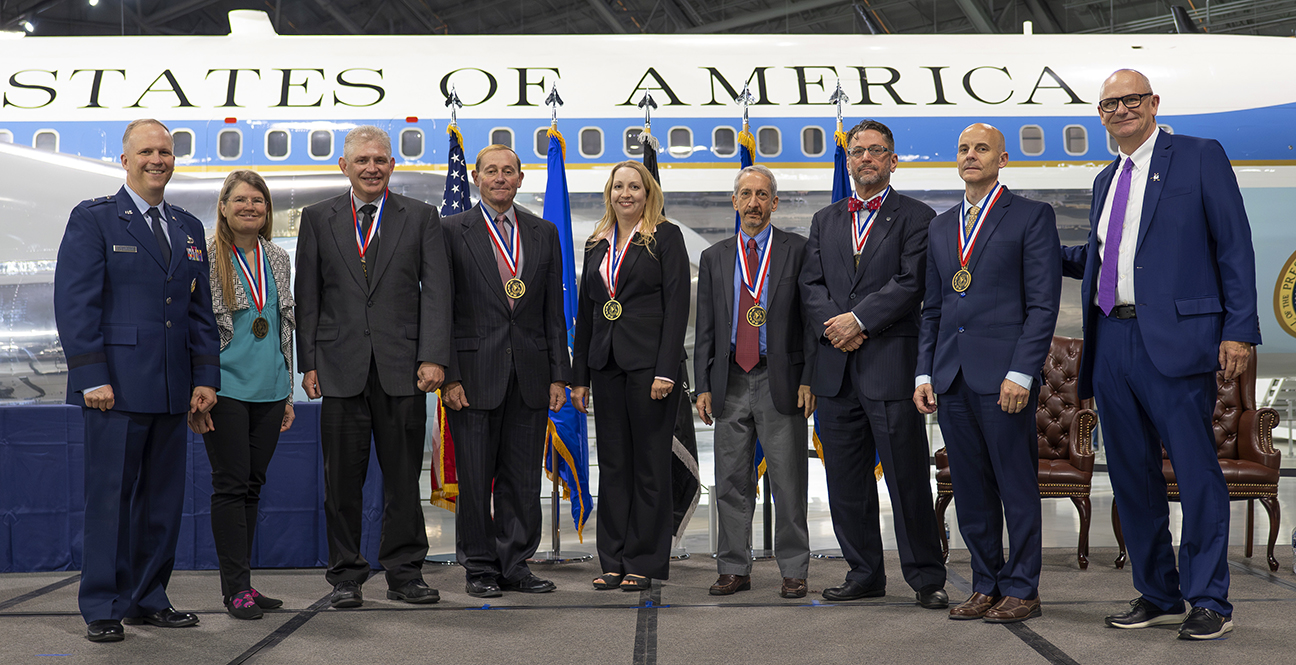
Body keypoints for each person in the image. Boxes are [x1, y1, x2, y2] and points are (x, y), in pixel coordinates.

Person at [1062, 69, 1261, 640]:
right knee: (1131, 476)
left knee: (1197, 474)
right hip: (1112, 340)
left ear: (1153, 103)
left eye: (1130, 100)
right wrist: (1027, 248)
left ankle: (1209, 600)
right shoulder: (1106, 178)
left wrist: (1239, 330)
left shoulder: (1198, 156)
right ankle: (1158, 592)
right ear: (1100, 113)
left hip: (1176, 342)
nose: (1120, 110)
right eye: (1109, 103)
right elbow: (1103, 257)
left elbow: (1234, 246)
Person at [54, 119, 220, 643]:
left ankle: (148, 598)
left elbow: (199, 315)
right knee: (110, 501)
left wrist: (205, 378)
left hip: (173, 389)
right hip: (115, 390)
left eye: (165, 152)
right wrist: (91, 376)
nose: (158, 160)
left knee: (162, 503)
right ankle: (102, 604)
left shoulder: (189, 227)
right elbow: (76, 304)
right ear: (124, 160)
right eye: (146, 151)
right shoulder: (95, 219)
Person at [294, 125, 451, 608]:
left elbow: (438, 292)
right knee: (341, 482)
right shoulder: (319, 218)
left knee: (404, 480)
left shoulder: (422, 217)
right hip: (339, 368)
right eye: (362, 160)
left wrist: (433, 356)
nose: (371, 168)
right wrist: (309, 361)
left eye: (380, 159)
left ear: (392, 165)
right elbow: (309, 296)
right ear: (344, 166)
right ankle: (346, 575)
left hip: (403, 369)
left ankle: (406, 574)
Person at [914, 123, 1061, 624]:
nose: (970, 156)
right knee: (971, 490)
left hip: (1004, 381)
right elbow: (932, 309)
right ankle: (985, 583)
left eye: (981, 149)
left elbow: (1043, 306)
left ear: (1002, 159)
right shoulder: (940, 226)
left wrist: (1022, 372)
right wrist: (923, 374)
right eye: (963, 149)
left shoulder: (1030, 217)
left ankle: (1023, 588)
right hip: (951, 378)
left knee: (1014, 485)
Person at [799, 119, 948, 609]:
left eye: (877, 151)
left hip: (890, 367)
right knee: (845, 483)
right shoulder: (826, 219)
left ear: (892, 160)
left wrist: (858, 320)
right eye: (858, 151)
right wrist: (835, 326)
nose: (866, 158)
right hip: (836, 372)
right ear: (849, 161)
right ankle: (863, 572)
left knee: (907, 479)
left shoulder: (918, 216)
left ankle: (927, 578)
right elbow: (812, 286)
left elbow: (911, 283)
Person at [440, 145, 572, 598]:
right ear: (475, 177)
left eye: (508, 171)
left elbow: (554, 312)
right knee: (475, 480)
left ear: (521, 178)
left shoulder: (544, 232)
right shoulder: (450, 231)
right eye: (491, 171)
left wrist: (560, 374)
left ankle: (516, 563)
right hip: (472, 375)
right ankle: (479, 566)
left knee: (521, 478)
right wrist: (449, 376)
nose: (500, 178)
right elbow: (442, 310)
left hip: (532, 375)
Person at [694, 165, 815, 599]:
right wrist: (703, 385)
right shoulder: (715, 257)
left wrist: (809, 378)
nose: (754, 204)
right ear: (734, 201)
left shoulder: (797, 251)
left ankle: (794, 570)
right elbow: (705, 328)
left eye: (762, 195)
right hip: (729, 381)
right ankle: (733, 567)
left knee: (788, 481)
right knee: (729, 481)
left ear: (775, 203)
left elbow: (810, 322)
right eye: (746, 195)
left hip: (779, 378)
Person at [572, 161, 690, 591]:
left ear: (647, 193)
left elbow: (677, 307)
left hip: (649, 368)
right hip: (605, 366)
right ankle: (613, 560)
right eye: (618, 186)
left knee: (648, 468)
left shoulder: (665, 236)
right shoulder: (595, 243)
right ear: (609, 192)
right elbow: (587, 313)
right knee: (615, 466)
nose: (626, 193)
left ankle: (644, 560)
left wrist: (666, 369)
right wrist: (579, 376)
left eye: (634, 187)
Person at [187, 170, 295, 620]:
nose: (250, 207)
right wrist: (200, 384)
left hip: (270, 391)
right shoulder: (209, 257)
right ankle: (235, 591)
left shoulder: (277, 256)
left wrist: (288, 392)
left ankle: (244, 584)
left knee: (252, 487)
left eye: (258, 201)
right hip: (224, 390)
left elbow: (283, 327)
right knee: (231, 487)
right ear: (224, 207)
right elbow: (196, 328)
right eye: (241, 200)